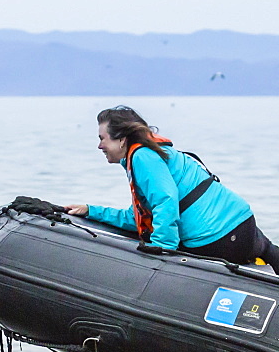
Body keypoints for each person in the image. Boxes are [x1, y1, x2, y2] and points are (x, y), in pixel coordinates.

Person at [66, 105, 279, 273]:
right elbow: (139, 219)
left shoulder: (142, 157)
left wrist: (162, 249)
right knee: (271, 252)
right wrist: (91, 210)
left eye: (102, 138)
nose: (100, 146)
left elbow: (165, 200)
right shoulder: (152, 154)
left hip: (216, 237)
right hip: (242, 224)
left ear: (121, 139)